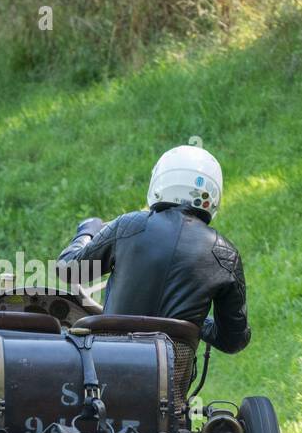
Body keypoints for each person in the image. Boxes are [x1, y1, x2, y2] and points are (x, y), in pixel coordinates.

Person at [57, 145, 251, 354]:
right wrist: (193, 321)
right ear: (212, 196)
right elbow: (233, 340)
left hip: (106, 368)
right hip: (169, 379)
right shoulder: (225, 255)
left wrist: (86, 231)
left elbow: (69, 270)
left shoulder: (130, 226)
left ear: (160, 181)